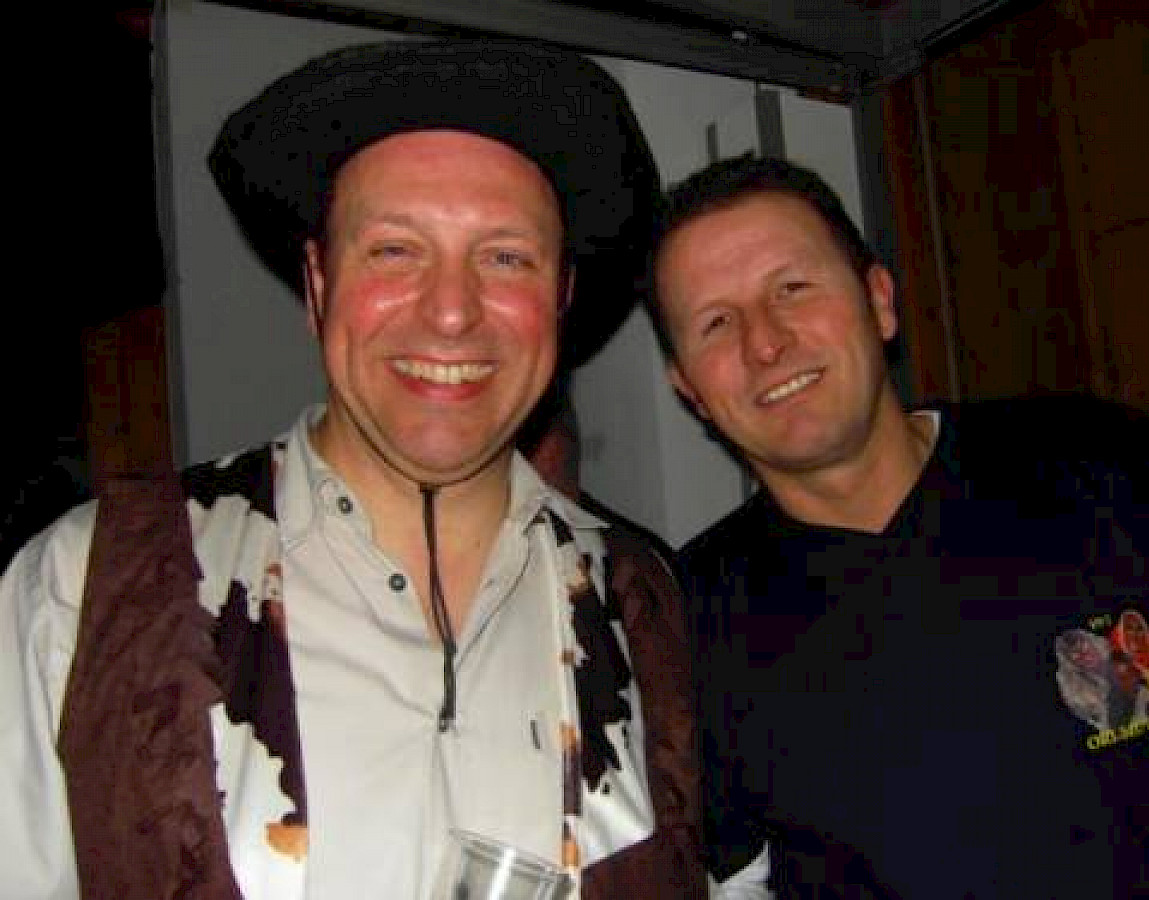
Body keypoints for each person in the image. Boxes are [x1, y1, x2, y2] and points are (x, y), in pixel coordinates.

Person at [0, 40, 705, 900]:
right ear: (317, 283)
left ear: (560, 297)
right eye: (395, 251)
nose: (452, 312)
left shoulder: (644, 604)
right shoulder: (88, 587)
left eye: (506, 257)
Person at [648, 154, 1149, 899]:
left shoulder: (1106, 465)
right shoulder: (681, 624)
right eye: (716, 322)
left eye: (792, 288)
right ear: (689, 389)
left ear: (879, 300)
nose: (765, 342)